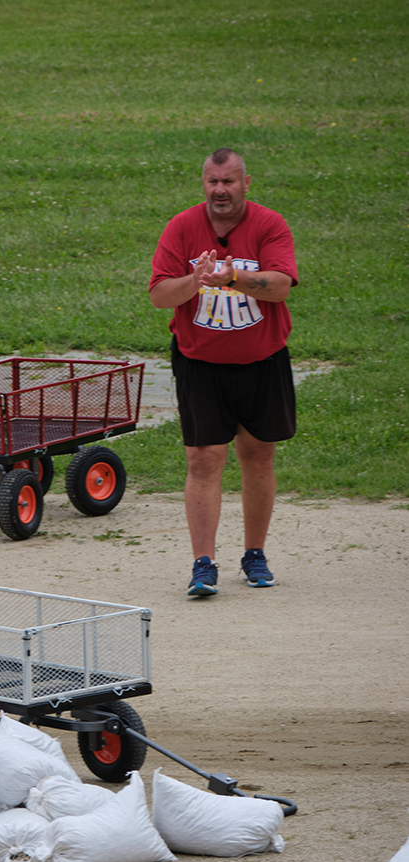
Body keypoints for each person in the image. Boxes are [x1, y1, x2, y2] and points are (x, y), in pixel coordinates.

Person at [149, 148, 298, 597]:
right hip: (200, 363)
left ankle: (255, 556)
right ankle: (203, 565)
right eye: (213, 182)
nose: (220, 190)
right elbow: (159, 296)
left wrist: (231, 278)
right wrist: (196, 281)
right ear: (203, 184)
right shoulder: (181, 227)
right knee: (203, 460)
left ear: (246, 184)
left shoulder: (270, 225)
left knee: (258, 455)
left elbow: (281, 287)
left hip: (263, 360)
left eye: (229, 181)